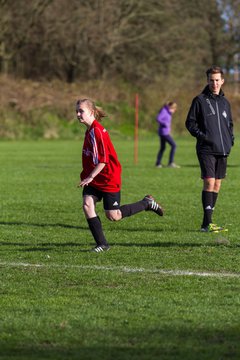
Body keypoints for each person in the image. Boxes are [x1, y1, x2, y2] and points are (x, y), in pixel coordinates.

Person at [76, 98, 164, 252]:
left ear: (91, 112)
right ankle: (102, 244)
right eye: (76, 111)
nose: (77, 114)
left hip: (108, 178)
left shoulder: (97, 131)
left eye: (81, 111)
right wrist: (88, 176)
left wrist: (90, 177)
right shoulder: (89, 130)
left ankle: (146, 203)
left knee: (113, 216)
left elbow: (102, 160)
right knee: (87, 205)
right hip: (95, 178)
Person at [185, 66, 234, 232]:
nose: (214, 83)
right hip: (206, 149)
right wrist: (204, 137)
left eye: (217, 80)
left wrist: (230, 140)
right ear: (207, 81)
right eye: (211, 80)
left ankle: (208, 223)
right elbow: (190, 123)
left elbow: (230, 125)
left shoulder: (225, 102)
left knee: (217, 185)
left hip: (223, 149)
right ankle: (207, 223)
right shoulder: (199, 100)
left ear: (222, 81)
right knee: (209, 181)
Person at [155, 101, 180, 168]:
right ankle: (171, 163)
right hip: (163, 133)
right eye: (174, 109)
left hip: (164, 132)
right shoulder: (164, 111)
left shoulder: (168, 112)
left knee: (163, 148)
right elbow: (158, 118)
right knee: (174, 145)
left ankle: (158, 163)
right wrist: (165, 124)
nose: (175, 110)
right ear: (171, 107)